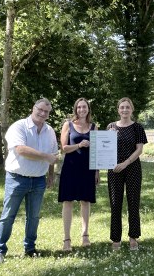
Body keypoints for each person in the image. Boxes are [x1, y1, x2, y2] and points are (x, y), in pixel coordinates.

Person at [0, 98, 58, 266]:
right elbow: (21, 150)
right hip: (16, 179)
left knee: (34, 217)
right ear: (33, 108)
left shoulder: (49, 131)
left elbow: (53, 154)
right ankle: (0, 251)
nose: (43, 113)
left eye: (46, 112)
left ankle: (30, 248)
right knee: (8, 216)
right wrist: (45, 157)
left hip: (38, 181)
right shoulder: (18, 126)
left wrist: (50, 175)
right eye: (40, 110)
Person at [58, 98, 100, 251]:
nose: (82, 109)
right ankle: (67, 239)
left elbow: (97, 152)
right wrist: (79, 145)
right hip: (70, 167)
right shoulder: (68, 125)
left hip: (87, 169)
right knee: (67, 202)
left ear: (88, 109)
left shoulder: (94, 127)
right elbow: (64, 148)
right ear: (76, 109)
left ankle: (85, 235)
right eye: (79, 107)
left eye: (85, 107)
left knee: (85, 201)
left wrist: (97, 172)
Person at [106, 97, 148, 251]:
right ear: (118, 109)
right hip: (114, 169)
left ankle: (133, 237)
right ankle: (116, 238)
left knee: (133, 202)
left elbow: (139, 150)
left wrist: (125, 163)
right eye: (122, 107)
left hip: (132, 167)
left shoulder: (138, 127)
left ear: (132, 109)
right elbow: (105, 148)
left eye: (127, 107)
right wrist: (109, 136)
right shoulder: (111, 126)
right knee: (115, 203)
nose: (124, 110)